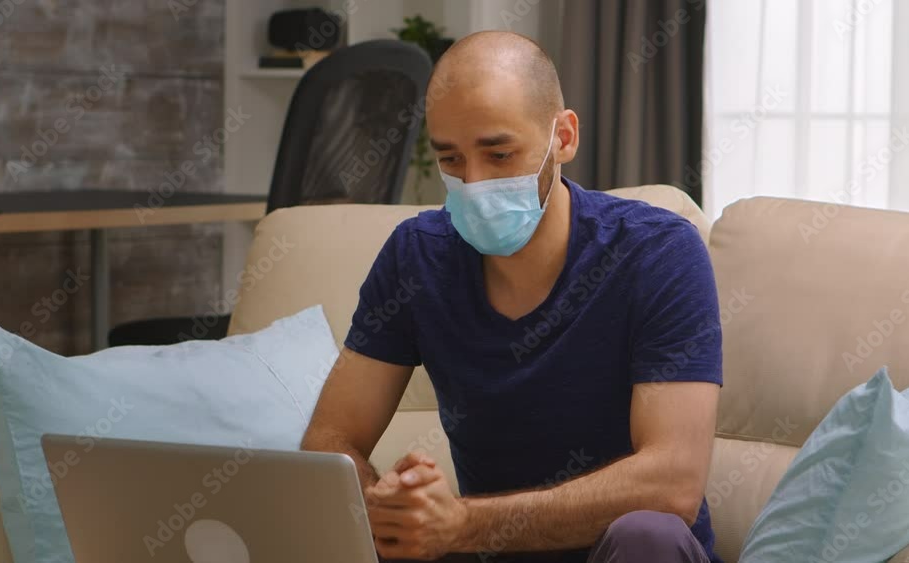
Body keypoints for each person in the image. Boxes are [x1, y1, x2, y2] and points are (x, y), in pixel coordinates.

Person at [301, 30, 723, 563]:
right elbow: (330, 438)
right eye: (451, 160)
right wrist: (392, 511)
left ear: (563, 137)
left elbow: (673, 483)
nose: (474, 183)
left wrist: (461, 526)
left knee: (648, 536)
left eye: (499, 154)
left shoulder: (658, 253)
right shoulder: (417, 257)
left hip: (625, 554)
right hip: (485, 552)